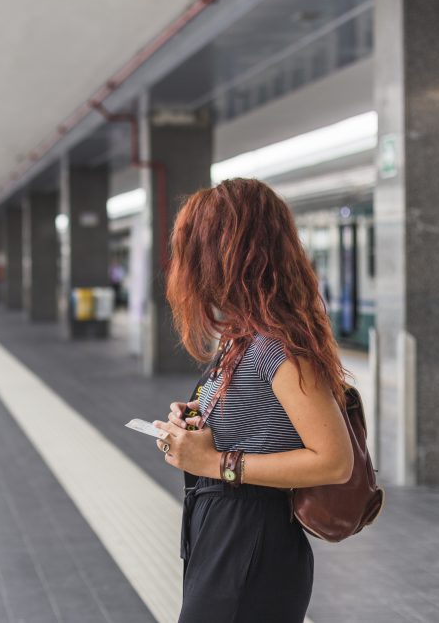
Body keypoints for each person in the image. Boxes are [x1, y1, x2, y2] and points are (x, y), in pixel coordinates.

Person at [150, 178, 354, 623]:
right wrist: (197, 420)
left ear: (230, 254)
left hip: (253, 542)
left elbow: (335, 461)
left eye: (196, 248)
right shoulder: (242, 337)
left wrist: (216, 463)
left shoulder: (275, 346)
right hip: (222, 534)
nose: (186, 264)